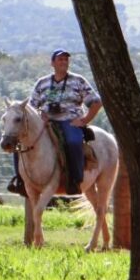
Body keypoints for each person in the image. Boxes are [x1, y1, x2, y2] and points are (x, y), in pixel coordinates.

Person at [18, 48, 103, 195]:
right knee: (20, 142)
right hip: (45, 122)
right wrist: (39, 116)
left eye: (66, 59)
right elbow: (31, 106)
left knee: (73, 142)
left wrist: (84, 120)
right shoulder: (42, 83)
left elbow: (96, 102)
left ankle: (75, 181)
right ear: (52, 63)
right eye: (60, 59)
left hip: (69, 121)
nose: (64, 62)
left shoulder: (78, 81)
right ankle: (19, 180)